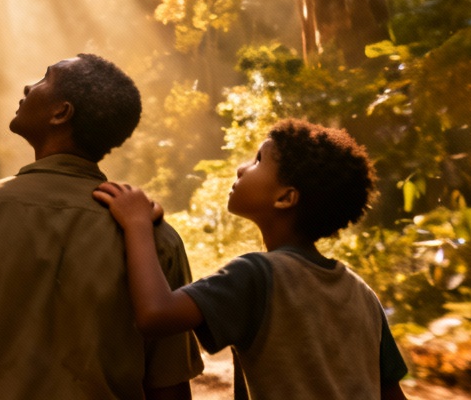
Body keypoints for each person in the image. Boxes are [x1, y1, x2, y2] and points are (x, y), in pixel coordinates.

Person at [0, 54, 203, 400]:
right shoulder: (153, 238)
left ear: (61, 113)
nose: (28, 86)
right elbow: (169, 389)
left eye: (45, 78)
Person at [94, 118, 411, 400]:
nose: (241, 168)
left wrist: (136, 225)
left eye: (259, 160)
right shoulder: (363, 295)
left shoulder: (257, 276)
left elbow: (156, 314)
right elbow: (392, 394)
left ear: (285, 198)